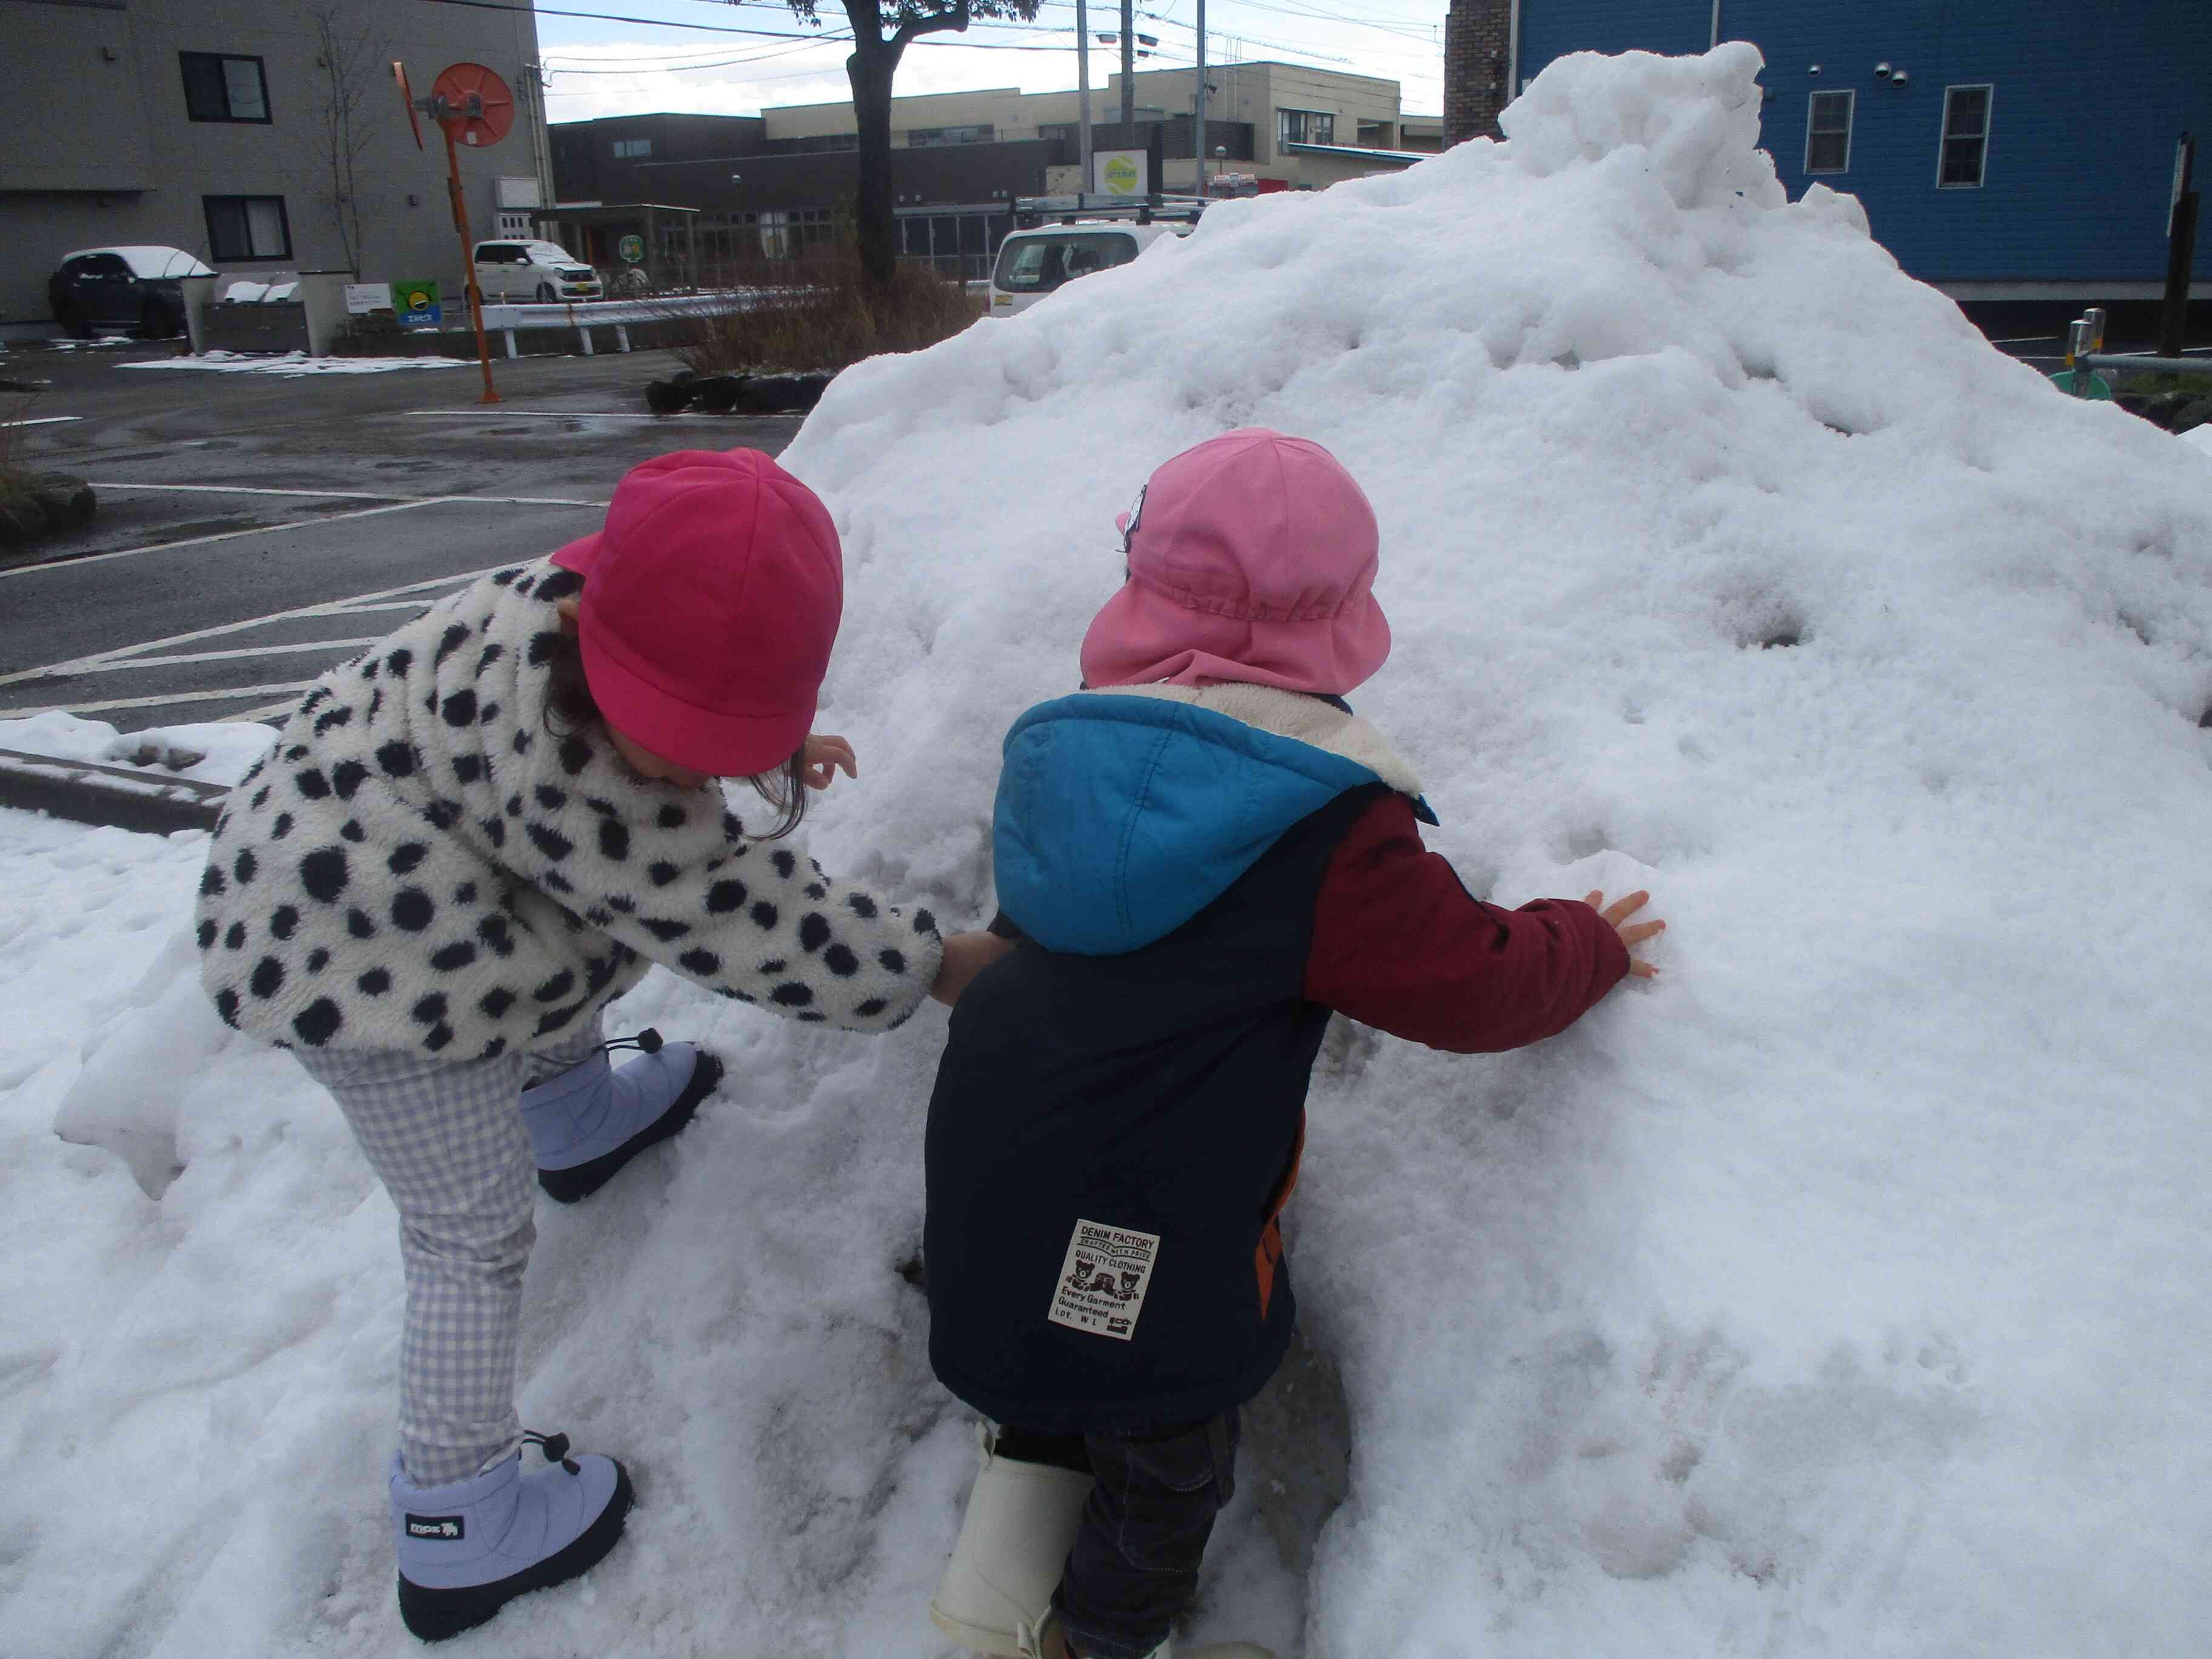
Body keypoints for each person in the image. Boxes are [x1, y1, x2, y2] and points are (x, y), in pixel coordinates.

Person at [195, 447, 1008, 1644]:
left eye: (718, 738)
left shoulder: (558, 611)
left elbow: (647, 750)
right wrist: (933, 962)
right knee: (466, 1233)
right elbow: (738, 917)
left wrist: (762, 742)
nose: (684, 769)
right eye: (672, 741)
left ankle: (571, 1113)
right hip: (349, 959)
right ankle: (457, 1516)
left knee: (549, 921)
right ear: (589, 624)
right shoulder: (583, 788)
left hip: (417, 871)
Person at [922, 429, 1664, 1659]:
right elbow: (1467, 985)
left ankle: (1032, 1451)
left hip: (986, 1170)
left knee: (1062, 1362)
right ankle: (1093, 1642)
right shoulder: (1321, 824)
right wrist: (1582, 941)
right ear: (1339, 622)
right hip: (1138, 1234)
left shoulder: (1063, 755)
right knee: (1167, 1467)